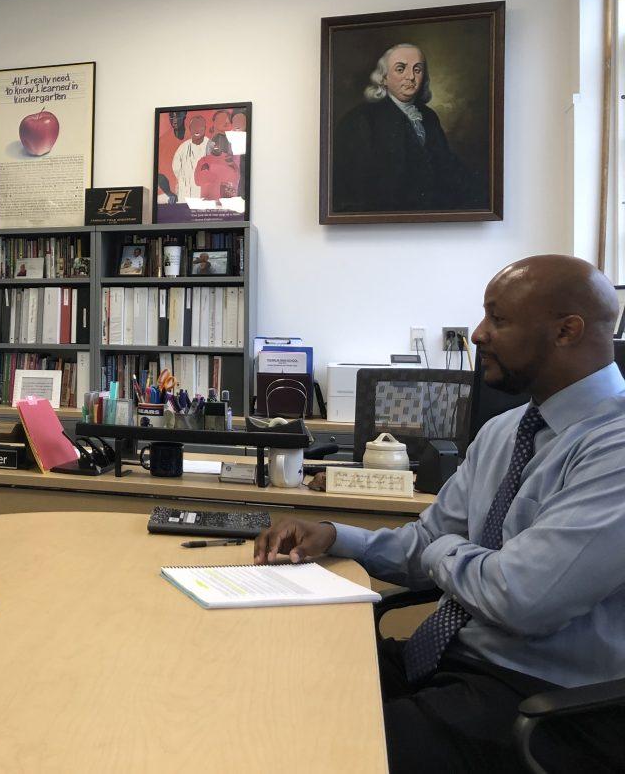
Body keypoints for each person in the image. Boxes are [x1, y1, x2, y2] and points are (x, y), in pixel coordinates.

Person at [253, 255, 625, 772]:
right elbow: (425, 541)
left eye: (499, 318)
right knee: (274, 679)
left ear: (567, 331)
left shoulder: (615, 448)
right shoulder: (504, 431)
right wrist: (334, 535)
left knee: (320, 746)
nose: (478, 333)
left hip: (546, 702)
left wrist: (444, 551)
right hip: (454, 660)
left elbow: (519, 596)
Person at [331, 43, 482, 214]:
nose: (410, 76)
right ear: (383, 77)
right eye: (401, 69)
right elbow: (357, 188)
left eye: (417, 70)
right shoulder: (361, 119)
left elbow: (447, 168)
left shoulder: (429, 116)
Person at [170, 114, 208, 204]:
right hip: (186, 193)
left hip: (204, 197)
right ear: (190, 129)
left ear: (205, 128)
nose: (197, 129)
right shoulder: (183, 148)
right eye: (194, 127)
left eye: (200, 126)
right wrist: (185, 179)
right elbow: (176, 167)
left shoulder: (211, 146)